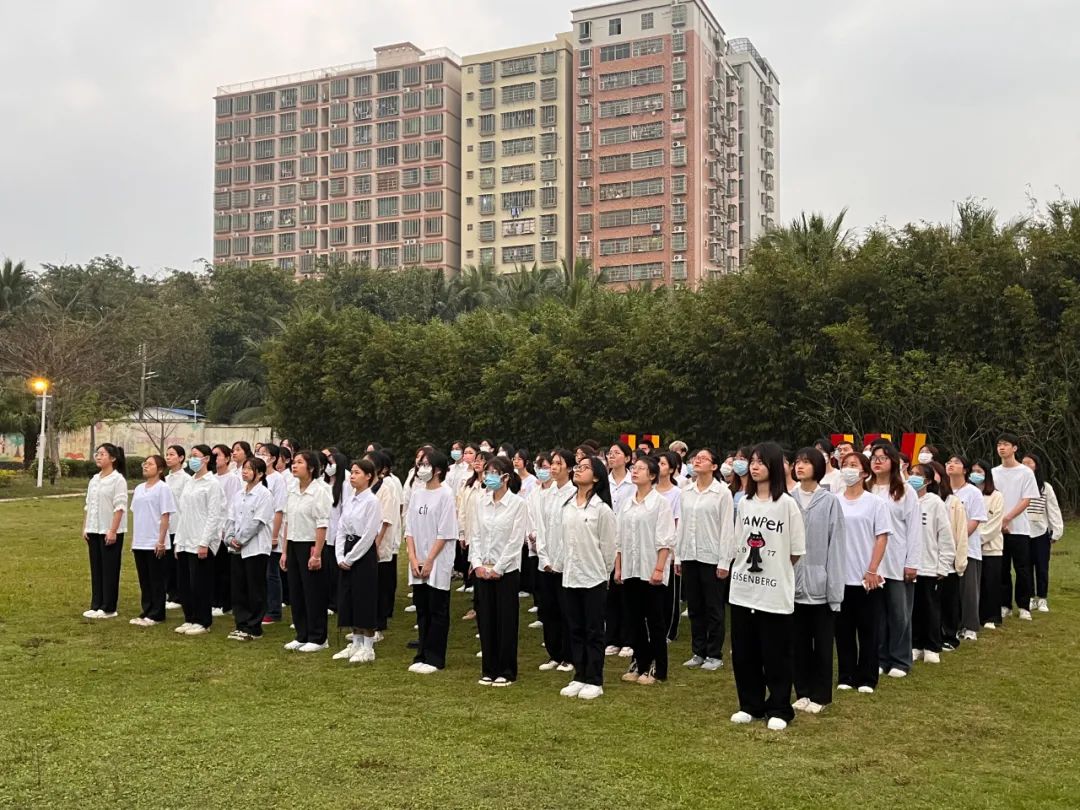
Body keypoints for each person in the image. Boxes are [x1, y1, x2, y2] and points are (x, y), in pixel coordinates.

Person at [722, 442, 806, 731]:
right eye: (752, 462)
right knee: (745, 652)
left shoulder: (787, 505)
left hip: (774, 592)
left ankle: (780, 707)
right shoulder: (744, 503)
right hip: (743, 589)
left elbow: (795, 551)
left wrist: (775, 568)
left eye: (760, 462)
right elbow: (738, 542)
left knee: (776, 653)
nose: (754, 467)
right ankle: (750, 704)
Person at [556, 455, 617, 700]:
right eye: (578, 467)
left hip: (593, 577)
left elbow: (609, 548)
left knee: (593, 630)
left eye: (585, 468)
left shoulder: (601, 510)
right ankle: (579, 675)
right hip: (571, 575)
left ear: (597, 477)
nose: (578, 470)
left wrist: (603, 573)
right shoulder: (568, 505)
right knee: (575, 628)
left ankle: (594, 678)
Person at [790, 447, 845, 714]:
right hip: (792, 585)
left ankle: (820, 695)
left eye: (806, 462)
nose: (800, 466)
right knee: (798, 644)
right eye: (797, 462)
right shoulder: (788, 500)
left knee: (822, 645)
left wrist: (834, 588)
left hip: (821, 585)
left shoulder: (830, 501)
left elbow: (837, 546)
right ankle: (802, 691)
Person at [615, 455, 676, 685]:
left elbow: (665, 540)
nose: (635, 471)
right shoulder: (627, 503)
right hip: (630, 568)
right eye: (634, 467)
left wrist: (659, 569)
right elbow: (619, 539)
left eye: (641, 468)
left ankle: (658, 666)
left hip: (651, 569)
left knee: (655, 620)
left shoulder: (660, 503)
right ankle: (639, 661)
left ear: (652, 475)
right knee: (634, 619)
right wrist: (619, 568)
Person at [675, 448, 735, 672]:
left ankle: (714, 653)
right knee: (695, 606)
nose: (697, 461)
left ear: (714, 466)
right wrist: (678, 556)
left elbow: (727, 528)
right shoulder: (686, 491)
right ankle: (698, 651)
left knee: (714, 608)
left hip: (712, 557)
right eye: (695, 458)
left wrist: (724, 561)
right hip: (689, 554)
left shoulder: (722, 493)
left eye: (703, 459)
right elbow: (682, 525)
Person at [835, 452, 891, 694]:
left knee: (868, 630)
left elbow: (882, 537)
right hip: (840, 576)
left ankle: (867, 677)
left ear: (865, 473)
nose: (848, 469)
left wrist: (872, 569)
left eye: (853, 465)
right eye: (844, 465)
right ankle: (846, 675)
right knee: (843, 630)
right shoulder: (834, 501)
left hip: (867, 577)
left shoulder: (875, 503)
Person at [470, 456, 528, 686]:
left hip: (506, 571)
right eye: (487, 472)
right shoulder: (481, 502)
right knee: (485, 620)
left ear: (505, 477)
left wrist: (499, 567)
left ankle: (506, 669)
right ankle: (489, 668)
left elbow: (515, 541)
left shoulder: (518, 504)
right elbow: (476, 535)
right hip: (483, 569)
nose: (489, 477)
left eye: (494, 473)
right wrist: (477, 564)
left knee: (505, 620)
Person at [868, 442, 921, 678]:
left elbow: (914, 529)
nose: (877, 462)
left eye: (883, 457)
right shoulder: (866, 489)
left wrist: (912, 562)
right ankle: (880, 658)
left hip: (897, 559)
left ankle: (900, 659)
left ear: (893, 461)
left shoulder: (905, 491)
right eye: (874, 458)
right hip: (872, 562)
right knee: (877, 614)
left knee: (899, 613)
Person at [405, 449, 459, 674]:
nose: (422, 469)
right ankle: (422, 653)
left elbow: (445, 532)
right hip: (417, 558)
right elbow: (409, 528)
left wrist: (429, 560)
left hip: (437, 559)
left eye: (426, 464)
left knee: (437, 608)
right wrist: (413, 557)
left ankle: (435, 657)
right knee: (422, 608)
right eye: (420, 464)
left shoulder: (446, 494)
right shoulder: (417, 494)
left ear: (437, 470)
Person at [333, 458, 383, 663]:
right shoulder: (350, 499)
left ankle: (368, 646)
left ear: (368, 476)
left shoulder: (372, 501)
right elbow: (341, 529)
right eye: (351, 472)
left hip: (363, 553)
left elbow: (370, 534)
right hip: (347, 549)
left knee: (364, 597)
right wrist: (340, 556)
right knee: (349, 596)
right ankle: (355, 642)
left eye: (357, 473)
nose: (352, 476)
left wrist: (351, 558)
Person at [281, 450, 333, 653]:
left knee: (314, 592)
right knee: (297, 591)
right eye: (293, 462)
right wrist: (285, 552)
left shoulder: (320, 490)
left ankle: (318, 637)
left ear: (311, 467)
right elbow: (287, 522)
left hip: (311, 544)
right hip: (294, 543)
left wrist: (317, 554)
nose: (294, 466)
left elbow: (322, 524)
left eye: (299, 462)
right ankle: (302, 634)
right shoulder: (292, 489)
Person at [173, 445, 226, 636]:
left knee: (200, 584)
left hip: (201, 541)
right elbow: (183, 513)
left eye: (195, 456)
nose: (191, 459)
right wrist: (178, 542)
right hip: (185, 539)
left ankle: (203, 621)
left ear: (206, 459)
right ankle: (190, 617)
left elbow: (214, 515)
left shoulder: (212, 484)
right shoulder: (190, 482)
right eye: (191, 456)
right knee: (185, 584)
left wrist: (205, 542)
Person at [907, 464, 954, 665]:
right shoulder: (904, 500)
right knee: (913, 609)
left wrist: (943, 565)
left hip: (929, 566)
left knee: (930, 608)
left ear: (927, 481)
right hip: (909, 566)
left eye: (918, 475)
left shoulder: (935, 503)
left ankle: (932, 646)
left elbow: (945, 535)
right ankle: (915, 645)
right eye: (911, 474)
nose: (913, 477)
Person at [223, 457, 274, 641]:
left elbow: (257, 522)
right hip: (236, 548)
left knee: (255, 588)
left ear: (259, 474)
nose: (244, 471)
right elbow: (231, 518)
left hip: (256, 548)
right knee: (239, 588)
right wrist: (229, 538)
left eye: (249, 469)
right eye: (243, 468)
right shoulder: (239, 494)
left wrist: (240, 540)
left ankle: (254, 627)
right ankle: (241, 624)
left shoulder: (264, 494)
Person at [535, 449, 575, 672]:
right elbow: (541, 527)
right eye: (552, 463)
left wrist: (558, 560)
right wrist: (544, 557)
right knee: (548, 609)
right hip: (546, 560)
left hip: (565, 562)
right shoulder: (546, 494)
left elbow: (568, 532)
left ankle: (569, 655)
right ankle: (554, 652)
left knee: (566, 609)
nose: (553, 467)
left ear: (569, 468)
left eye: (559, 463)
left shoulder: (574, 493)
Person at [993, 434, 1040, 621]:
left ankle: (1024, 606)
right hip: (998, 528)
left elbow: (1026, 499)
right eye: (999, 444)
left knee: (1022, 569)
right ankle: (1004, 604)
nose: (1001, 448)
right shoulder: (994, 472)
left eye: (1005, 444)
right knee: (1002, 568)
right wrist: (999, 521)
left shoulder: (1025, 472)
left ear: (1014, 448)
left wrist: (1008, 518)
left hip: (1019, 529)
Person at [82, 443, 129, 620]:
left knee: (109, 569)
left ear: (113, 458)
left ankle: (108, 607)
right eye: (97, 454)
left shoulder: (118, 480)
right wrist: (86, 527)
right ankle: (96, 604)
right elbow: (89, 505)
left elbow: (120, 507)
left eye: (102, 454)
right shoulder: (94, 480)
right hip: (94, 529)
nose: (98, 457)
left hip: (109, 530)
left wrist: (113, 530)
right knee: (96, 568)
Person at [129, 455, 176, 626]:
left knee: (156, 579)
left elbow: (165, 516)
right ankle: (147, 610)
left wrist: (161, 541)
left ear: (160, 469)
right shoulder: (139, 488)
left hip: (155, 541)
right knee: (144, 580)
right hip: (140, 540)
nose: (145, 466)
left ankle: (157, 613)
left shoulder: (163, 488)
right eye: (145, 463)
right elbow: (137, 514)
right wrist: (134, 540)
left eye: (150, 464)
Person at [946, 455, 988, 641]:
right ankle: (951, 625)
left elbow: (976, 519)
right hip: (945, 548)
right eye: (949, 462)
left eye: (956, 463)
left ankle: (970, 626)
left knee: (968, 589)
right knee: (950, 589)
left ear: (965, 470)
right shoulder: (943, 490)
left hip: (967, 547)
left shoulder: (973, 492)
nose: (951, 465)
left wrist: (959, 540)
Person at [1022, 453, 1064, 612]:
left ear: (1036, 466)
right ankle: (1030, 598)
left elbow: (1053, 509)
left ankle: (1042, 598)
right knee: (1025, 567)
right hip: (1022, 532)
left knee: (1042, 567)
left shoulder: (1045, 487)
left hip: (1040, 532)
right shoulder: (1019, 486)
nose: (1026, 466)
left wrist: (1056, 531)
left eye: (1029, 463)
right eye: (1023, 463)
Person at [604, 442, 635, 657]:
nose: (612, 456)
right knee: (609, 594)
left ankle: (628, 639)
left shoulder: (633, 482)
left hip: (627, 540)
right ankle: (612, 638)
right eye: (610, 453)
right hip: (606, 539)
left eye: (617, 453)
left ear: (627, 458)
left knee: (626, 592)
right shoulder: (603, 482)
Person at [370, 450, 403, 640]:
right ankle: (367, 624)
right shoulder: (364, 487)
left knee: (381, 584)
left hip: (380, 542)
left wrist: (377, 542)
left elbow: (387, 519)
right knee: (368, 585)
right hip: (364, 543)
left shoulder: (387, 487)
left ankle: (379, 625)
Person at [257, 443, 289, 624]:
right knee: (260, 572)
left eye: (265, 453)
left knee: (271, 573)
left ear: (273, 458)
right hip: (257, 531)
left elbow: (279, 510)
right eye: (259, 453)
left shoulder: (278, 479)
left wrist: (275, 536)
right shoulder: (258, 477)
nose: (260, 456)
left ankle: (274, 610)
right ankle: (262, 607)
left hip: (272, 530)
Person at [655, 450, 683, 641]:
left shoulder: (677, 494)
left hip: (669, 549)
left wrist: (673, 551)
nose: (658, 466)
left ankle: (669, 630)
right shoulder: (649, 491)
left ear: (672, 469)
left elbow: (677, 522)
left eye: (663, 463)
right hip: (650, 549)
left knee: (669, 593)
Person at [973, 461, 1005, 630]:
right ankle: (976, 615)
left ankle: (991, 616)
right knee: (975, 584)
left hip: (991, 547)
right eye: (973, 471)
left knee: (991, 582)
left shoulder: (996, 496)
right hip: (971, 547)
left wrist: (979, 539)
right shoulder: (971, 493)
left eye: (979, 471)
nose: (975, 474)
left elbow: (995, 523)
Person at [211, 444, 242, 618]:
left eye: (218, 455)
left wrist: (226, 528)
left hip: (224, 529)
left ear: (227, 458)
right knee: (214, 567)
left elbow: (232, 505)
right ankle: (214, 600)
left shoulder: (232, 479)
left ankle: (224, 603)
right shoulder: (212, 479)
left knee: (224, 568)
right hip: (213, 528)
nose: (215, 459)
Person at [323, 449, 350, 614]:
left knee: (336, 571)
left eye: (332, 463)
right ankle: (329, 600)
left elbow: (345, 511)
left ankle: (336, 603)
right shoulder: (325, 484)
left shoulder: (345, 485)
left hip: (337, 534)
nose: (329, 466)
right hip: (325, 534)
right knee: (327, 570)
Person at [163, 445, 189, 610]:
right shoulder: (165, 479)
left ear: (181, 458)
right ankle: (170, 592)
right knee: (167, 563)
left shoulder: (186, 479)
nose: (168, 457)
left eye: (172, 454)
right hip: (166, 526)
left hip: (179, 525)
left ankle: (178, 596)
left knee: (177, 563)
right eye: (167, 454)